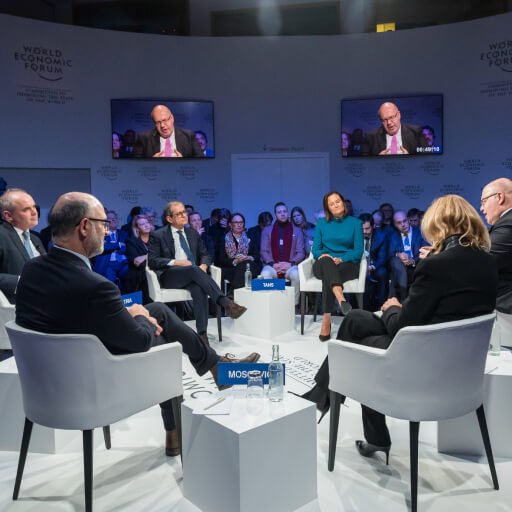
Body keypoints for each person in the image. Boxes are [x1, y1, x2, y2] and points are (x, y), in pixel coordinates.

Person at [14, 192, 260, 457]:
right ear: (85, 226)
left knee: (158, 310)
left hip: (46, 382)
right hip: (92, 382)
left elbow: (74, 316)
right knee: (162, 337)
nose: (107, 231)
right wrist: (140, 315)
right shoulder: (95, 286)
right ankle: (179, 420)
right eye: (103, 224)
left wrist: (129, 312)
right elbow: (140, 341)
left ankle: (215, 366)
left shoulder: (32, 269)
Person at [303, 194, 497, 461]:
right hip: (459, 359)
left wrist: (392, 308)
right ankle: (323, 394)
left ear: (439, 225)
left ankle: (339, 409)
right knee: (355, 318)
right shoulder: (487, 261)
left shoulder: (436, 265)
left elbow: (401, 328)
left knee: (355, 343)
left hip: (421, 357)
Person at [148, 201, 247, 345]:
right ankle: (225, 302)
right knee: (193, 269)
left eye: (184, 212)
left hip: (193, 274)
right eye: (179, 214)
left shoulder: (192, 233)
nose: (184, 215)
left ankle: (202, 335)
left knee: (198, 288)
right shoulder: (158, 235)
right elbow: (153, 261)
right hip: (170, 276)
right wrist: (176, 262)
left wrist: (204, 265)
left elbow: (205, 254)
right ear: (169, 218)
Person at [311, 191, 363, 341]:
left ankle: (326, 319)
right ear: (328, 208)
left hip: (347, 265)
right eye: (331, 204)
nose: (335, 205)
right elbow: (315, 250)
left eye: (337, 201)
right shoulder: (322, 223)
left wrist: (341, 259)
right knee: (328, 264)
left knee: (329, 276)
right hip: (324, 263)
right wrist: (325, 256)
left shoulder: (356, 223)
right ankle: (341, 300)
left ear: (343, 202)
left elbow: (358, 251)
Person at [0, 188, 46, 303]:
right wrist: (21, 282)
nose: (34, 212)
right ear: (8, 216)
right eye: (26, 209)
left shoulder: (36, 239)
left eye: (34, 207)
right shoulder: (2, 234)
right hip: (12, 307)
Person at [260, 202, 305, 305]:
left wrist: (290, 263)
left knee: (296, 275)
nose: (283, 214)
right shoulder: (267, 230)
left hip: (290, 266)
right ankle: (270, 305)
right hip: (272, 265)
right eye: (279, 212)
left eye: (284, 211)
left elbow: (301, 252)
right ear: (275, 214)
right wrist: (273, 264)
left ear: (287, 213)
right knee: (265, 274)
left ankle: (293, 305)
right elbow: (263, 251)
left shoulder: (297, 231)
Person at [480, 177, 512, 313]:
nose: (481, 208)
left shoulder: (508, 223)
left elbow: (481, 260)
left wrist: (440, 257)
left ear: (499, 197)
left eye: (484, 202)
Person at [214, 213, 262, 295]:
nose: (239, 225)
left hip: (249, 266)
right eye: (236, 222)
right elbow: (219, 260)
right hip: (231, 268)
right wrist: (235, 261)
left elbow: (257, 256)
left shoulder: (250, 237)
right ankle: (239, 294)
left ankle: (234, 292)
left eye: (241, 222)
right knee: (243, 268)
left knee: (246, 264)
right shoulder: (223, 239)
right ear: (230, 224)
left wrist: (249, 257)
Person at [134, 105, 203, 158]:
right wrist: (151, 163)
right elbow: (135, 166)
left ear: (172, 118)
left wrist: (183, 163)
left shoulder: (189, 136)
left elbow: (201, 162)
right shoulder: (143, 138)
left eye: (164, 120)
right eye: (158, 122)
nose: (162, 125)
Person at [388, 210, 426, 301]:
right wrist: (399, 255)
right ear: (395, 225)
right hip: (400, 266)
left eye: (404, 221)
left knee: (396, 273)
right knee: (396, 260)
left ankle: (402, 299)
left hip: (417, 265)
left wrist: (412, 261)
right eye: (399, 223)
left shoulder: (420, 233)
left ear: (408, 220)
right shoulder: (393, 236)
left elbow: (425, 251)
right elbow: (390, 253)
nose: (403, 224)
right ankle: (404, 296)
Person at [359, 213, 389, 310]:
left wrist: (370, 267)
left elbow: (382, 257)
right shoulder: (354, 236)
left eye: (367, 228)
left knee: (383, 273)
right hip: (358, 266)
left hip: (374, 266)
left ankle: (381, 306)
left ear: (373, 226)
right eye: (362, 229)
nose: (364, 231)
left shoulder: (381, 237)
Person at [92, 209, 128, 286]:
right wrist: (118, 245)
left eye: (114, 218)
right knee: (111, 283)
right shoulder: (100, 234)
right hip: (108, 264)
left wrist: (112, 247)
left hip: (123, 263)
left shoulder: (124, 234)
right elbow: (102, 247)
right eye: (110, 218)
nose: (113, 220)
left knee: (131, 275)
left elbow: (128, 247)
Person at [124, 214, 152, 303]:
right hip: (139, 276)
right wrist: (153, 256)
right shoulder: (131, 241)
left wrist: (145, 256)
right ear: (137, 228)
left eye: (147, 223)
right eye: (142, 224)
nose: (146, 225)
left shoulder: (156, 239)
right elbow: (138, 263)